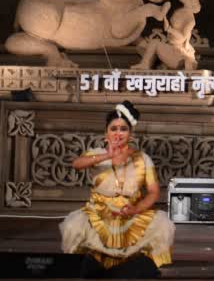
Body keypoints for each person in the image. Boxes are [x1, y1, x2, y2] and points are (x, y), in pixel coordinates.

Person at [60, 100, 175, 269]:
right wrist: (106, 156)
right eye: (113, 129)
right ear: (106, 133)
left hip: (130, 213)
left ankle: (142, 265)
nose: (118, 133)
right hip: (99, 214)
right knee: (73, 225)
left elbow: (153, 192)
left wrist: (137, 208)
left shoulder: (142, 158)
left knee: (163, 223)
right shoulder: (96, 154)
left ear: (131, 134)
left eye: (123, 129)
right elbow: (77, 164)